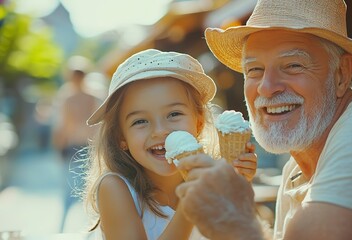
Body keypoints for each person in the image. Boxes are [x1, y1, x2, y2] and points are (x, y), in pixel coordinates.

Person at [175, 0, 352, 239]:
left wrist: (233, 220)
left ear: (341, 74)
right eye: (254, 70)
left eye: (293, 65)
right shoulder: (294, 170)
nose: (267, 87)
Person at [82, 49, 257, 239]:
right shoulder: (115, 187)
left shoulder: (213, 177)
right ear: (120, 137)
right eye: (140, 121)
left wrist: (237, 188)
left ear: (198, 123)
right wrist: (192, 202)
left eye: (174, 114)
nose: (159, 131)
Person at [51, 55, 102, 232]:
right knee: (78, 190)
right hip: (79, 147)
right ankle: (67, 230)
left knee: (83, 191)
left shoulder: (75, 97)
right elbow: (63, 127)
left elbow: (63, 126)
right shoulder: (81, 97)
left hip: (85, 147)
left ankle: (73, 230)